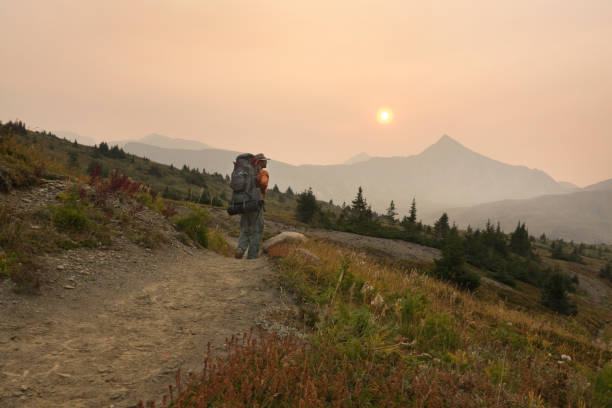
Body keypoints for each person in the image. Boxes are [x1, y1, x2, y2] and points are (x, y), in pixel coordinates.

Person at [235, 153, 269, 259]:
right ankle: (252, 256)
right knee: (257, 230)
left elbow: (231, 184)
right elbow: (263, 183)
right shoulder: (263, 172)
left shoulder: (244, 172)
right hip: (256, 205)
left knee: (245, 229)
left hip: (244, 204)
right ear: (260, 162)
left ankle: (240, 250)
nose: (266, 162)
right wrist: (260, 187)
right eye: (265, 160)